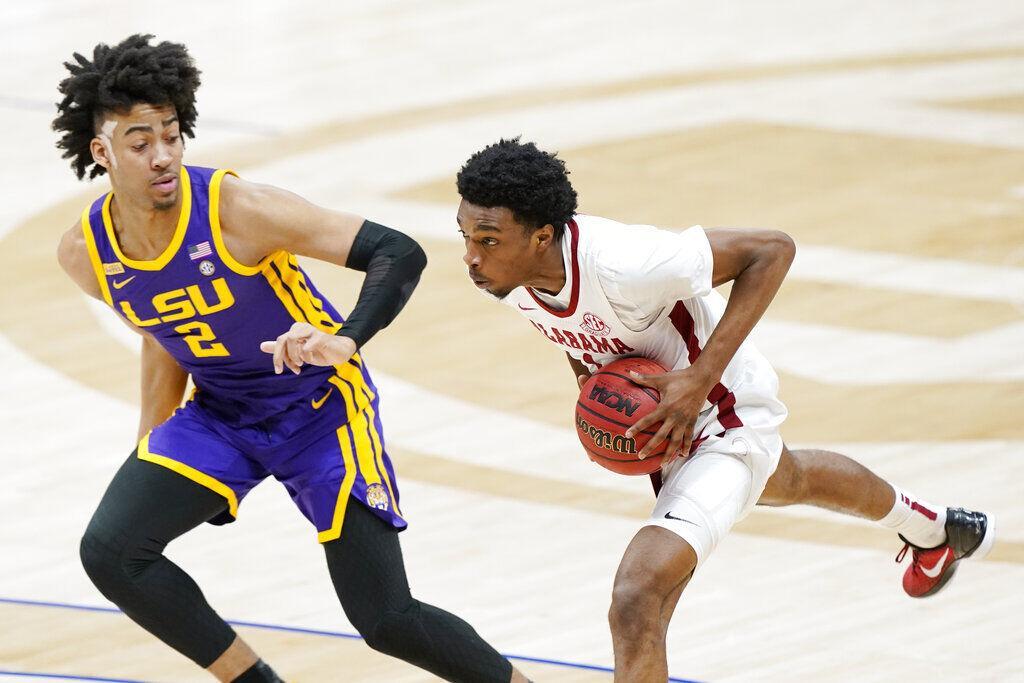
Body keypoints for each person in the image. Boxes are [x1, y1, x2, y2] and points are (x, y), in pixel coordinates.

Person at [53, 34, 528, 683]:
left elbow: (399, 252)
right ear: (102, 151)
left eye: (171, 133)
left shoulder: (236, 209)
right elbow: (161, 332)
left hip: (320, 407)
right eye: (140, 142)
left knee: (385, 617)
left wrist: (348, 338)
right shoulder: (86, 253)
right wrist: (150, 442)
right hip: (222, 415)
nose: (162, 154)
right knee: (112, 552)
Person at [454, 137, 995, 682]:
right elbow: (578, 332)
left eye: (488, 239)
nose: (471, 256)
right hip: (674, 419)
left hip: (726, 415)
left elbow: (772, 249)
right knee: (790, 478)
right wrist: (594, 394)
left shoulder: (626, 264)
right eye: (466, 236)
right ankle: (938, 530)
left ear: (542, 235)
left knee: (637, 598)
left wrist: (699, 378)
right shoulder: (508, 276)